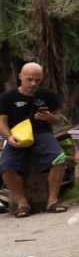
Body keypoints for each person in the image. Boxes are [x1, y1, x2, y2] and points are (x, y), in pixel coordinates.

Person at [0, 62, 68, 217]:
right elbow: (2, 122)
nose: (33, 84)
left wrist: (49, 117)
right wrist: (9, 137)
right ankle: (22, 203)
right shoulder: (7, 97)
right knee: (6, 166)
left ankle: (52, 200)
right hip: (18, 135)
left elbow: (56, 120)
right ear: (20, 77)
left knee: (59, 159)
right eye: (29, 79)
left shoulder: (49, 95)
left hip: (42, 133)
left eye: (37, 80)